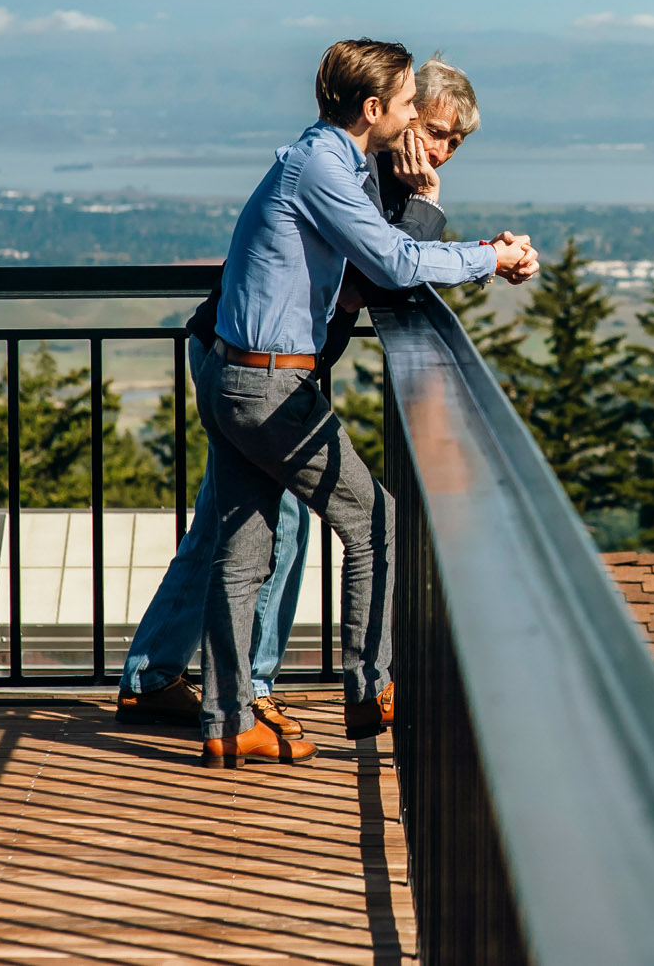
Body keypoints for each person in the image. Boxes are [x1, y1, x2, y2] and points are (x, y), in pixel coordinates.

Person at [116, 58, 483, 742]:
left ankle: (196, 695)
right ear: (383, 111)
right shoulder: (343, 174)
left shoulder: (347, 169)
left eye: (453, 142)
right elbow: (386, 271)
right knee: (300, 527)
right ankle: (274, 692)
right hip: (260, 371)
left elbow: (373, 274)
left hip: (252, 364)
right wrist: (444, 219)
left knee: (239, 537)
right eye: (427, 122)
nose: (436, 145)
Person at [195, 39, 535, 766]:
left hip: (240, 374)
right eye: (411, 104)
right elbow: (393, 263)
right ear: (374, 109)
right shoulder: (324, 167)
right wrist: (490, 257)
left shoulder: (329, 161)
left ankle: (228, 720)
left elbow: (378, 259)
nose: (417, 118)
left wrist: (464, 242)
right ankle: (370, 687)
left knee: (242, 551)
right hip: (269, 385)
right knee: (375, 519)